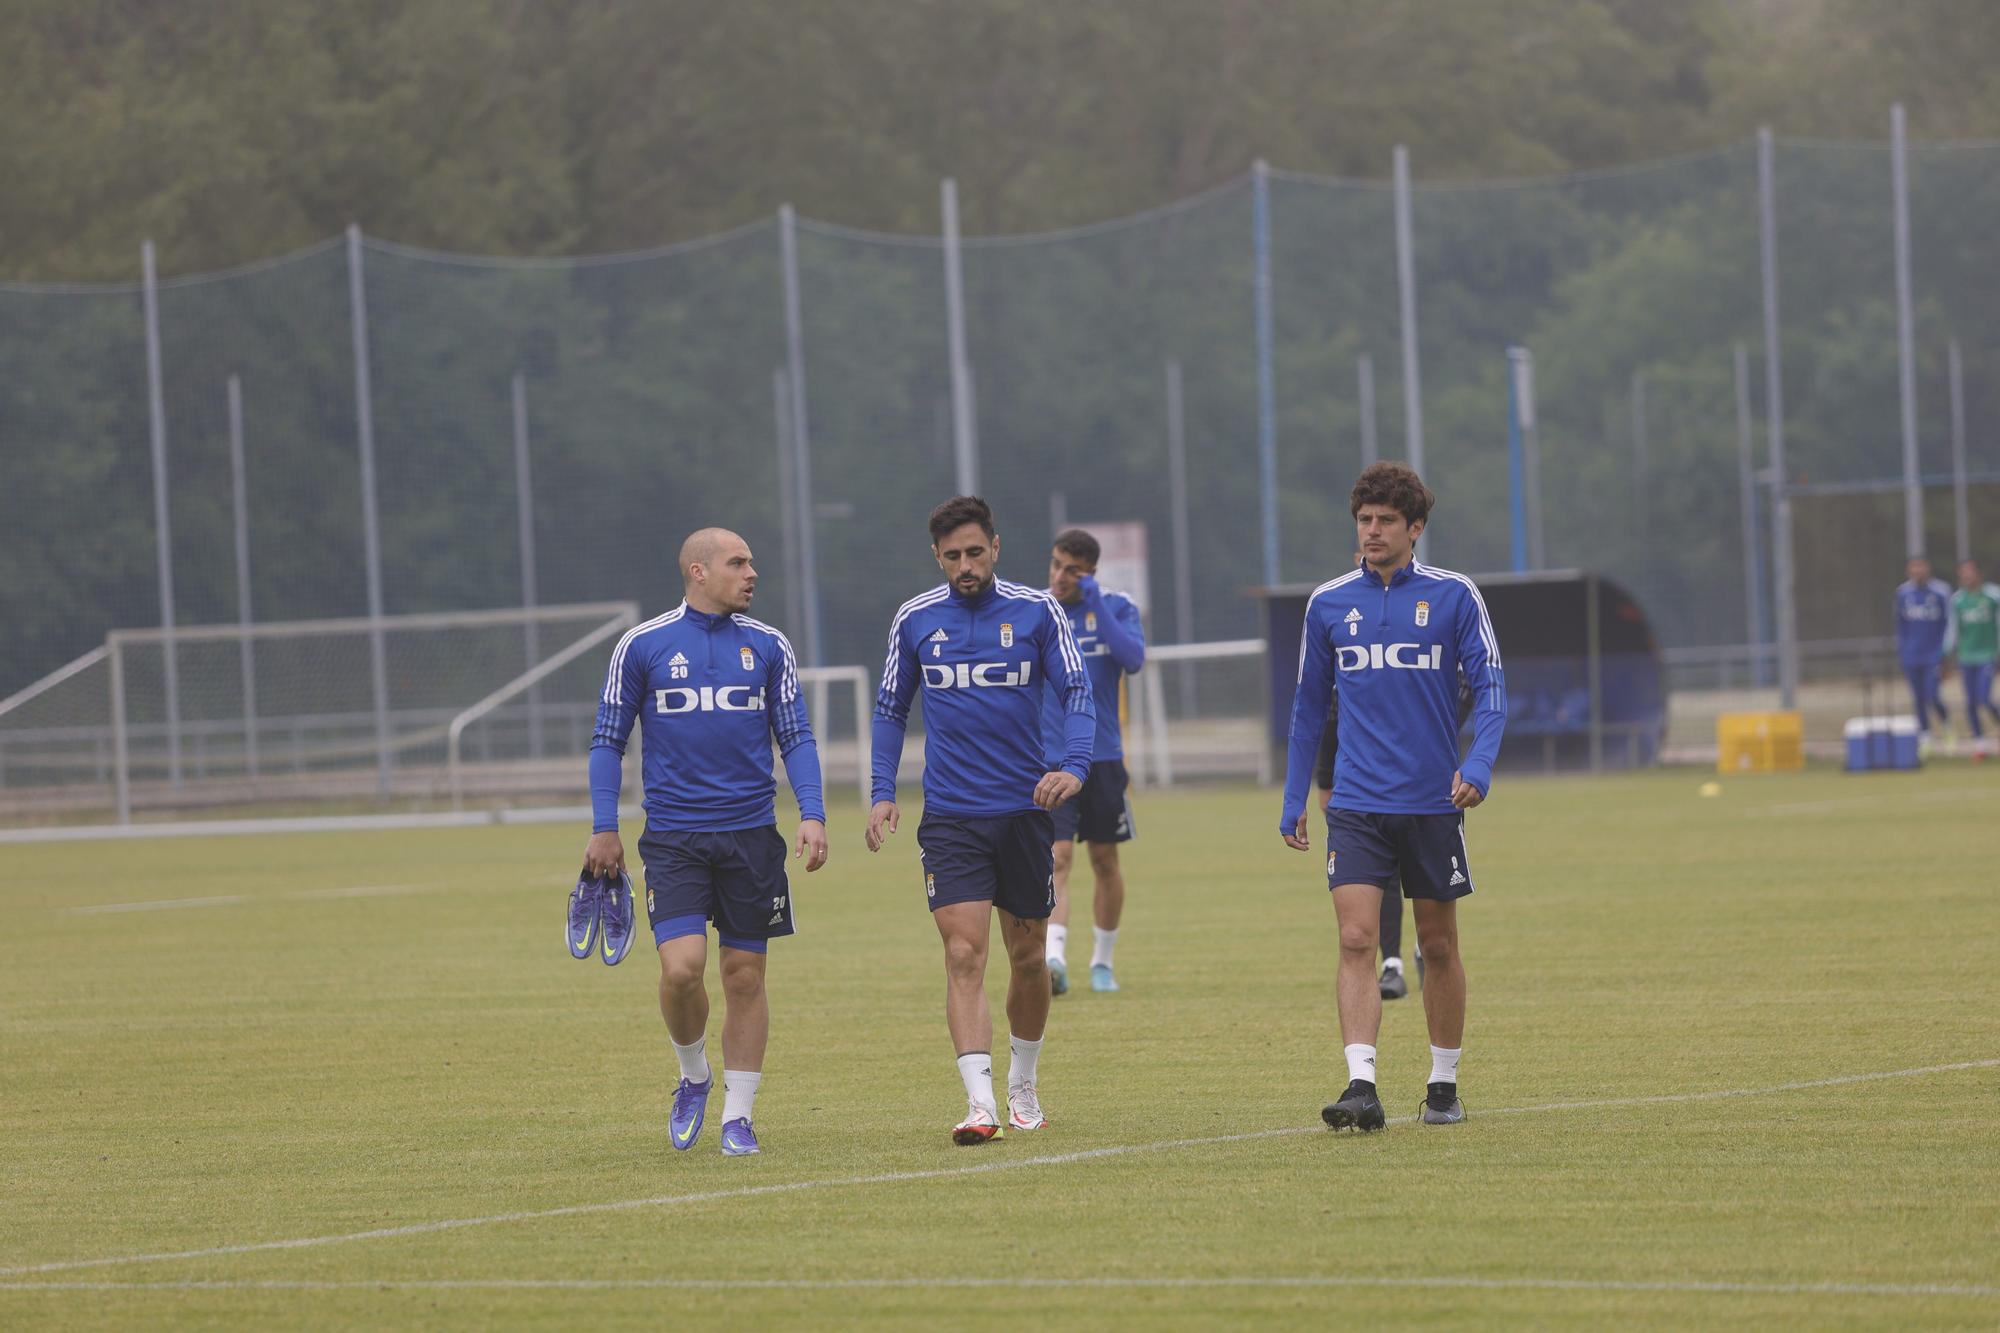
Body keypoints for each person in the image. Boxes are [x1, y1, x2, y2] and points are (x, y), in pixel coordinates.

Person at [583, 528, 828, 1159]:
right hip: (674, 838)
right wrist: (603, 827)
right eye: (738, 563)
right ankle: (693, 1075)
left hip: (752, 837)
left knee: (744, 976)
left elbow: (795, 735)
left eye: (751, 561)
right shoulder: (642, 646)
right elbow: (608, 740)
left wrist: (813, 813)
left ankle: (738, 1118)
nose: (752, 573)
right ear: (698, 570)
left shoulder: (770, 646)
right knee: (682, 970)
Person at [1280, 463, 1506, 1132]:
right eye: (1363, 520)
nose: (1371, 531)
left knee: (1436, 943)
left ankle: (1443, 1083)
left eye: (1384, 521)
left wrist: (1481, 764)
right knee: (1355, 937)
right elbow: (1306, 708)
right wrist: (1296, 795)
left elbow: (1491, 690)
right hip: (1355, 803)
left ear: (1416, 528)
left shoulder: (1455, 596)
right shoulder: (1328, 603)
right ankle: (1361, 1083)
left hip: (1435, 803)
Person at [868, 496, 1094, 1145]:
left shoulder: (1037, 610)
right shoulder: (915, 619)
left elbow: (1077, 691)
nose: (965, 565)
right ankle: (980, 1101)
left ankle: (1023, 1083)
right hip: (951, 818)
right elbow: (890, 709)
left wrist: (1074, 765)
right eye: (952, 556)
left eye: (974, 552)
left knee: (1027, 956)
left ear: (995, 546)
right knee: (964, 953)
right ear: (936, 557)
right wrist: (883, 790)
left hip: (1026, 812)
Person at [1041, 528, 1146, 996]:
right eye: (1056, 564)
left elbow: (1133, 659)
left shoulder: (1116, 607)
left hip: (1102, 758)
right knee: (1057, 857)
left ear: (1090, 573)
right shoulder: (1038, 611)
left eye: (1072, 570)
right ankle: (1054, 958)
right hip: (1050, 759)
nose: (1060, 576)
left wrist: (1095, 602)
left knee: (1105, 860)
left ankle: (1102, 963)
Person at [1894, 557, 1955, 738]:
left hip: (1934, 654)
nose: (1918, 571)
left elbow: (1949, 623)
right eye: (1914, 568)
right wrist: (1903, 651)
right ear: (1909, 570)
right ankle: (1925, 734)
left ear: (1928, 569)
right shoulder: (1903, 593)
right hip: (1911, 655)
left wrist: (1945, 654)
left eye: (1921, 567)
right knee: (1918, 698)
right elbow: (1900, 625)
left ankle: (1946, 724)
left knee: (1933, 695)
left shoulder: (1941, 592)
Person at [1950, 558, 2000, 745]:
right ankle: (1979, 741)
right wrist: (1948, 653)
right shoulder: (1958, 600)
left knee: (1984, 698)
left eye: (1970, 572)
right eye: (1963, 573)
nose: (1967, 576)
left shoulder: (1993, 596)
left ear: (1978, 574)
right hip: (1966, 656)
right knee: (1970, 702)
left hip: (1987, 654)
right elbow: (1953, 629)